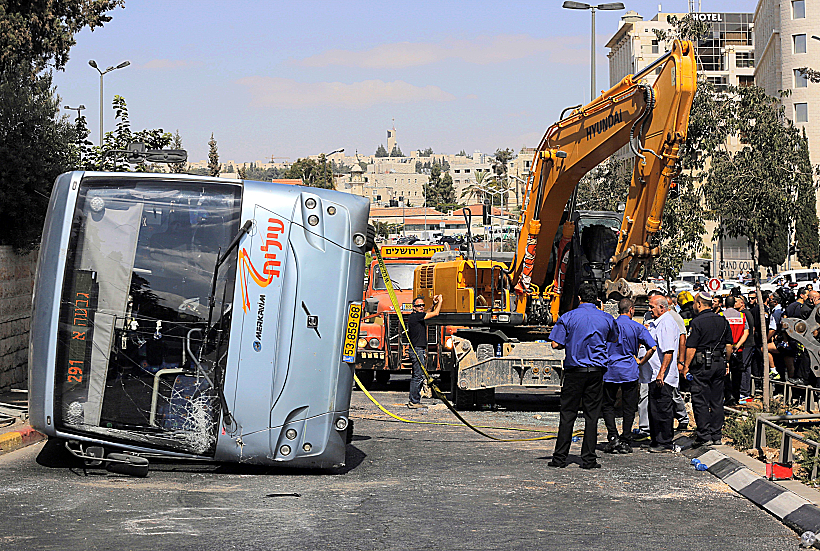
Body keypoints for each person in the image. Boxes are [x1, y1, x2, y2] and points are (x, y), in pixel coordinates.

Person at [549, 282, 619, 469]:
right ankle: (588, 459)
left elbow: (555, 344)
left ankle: (559, 458)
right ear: (596, 299)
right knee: (592, 416)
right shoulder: (606, 317)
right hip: (596, 372)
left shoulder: (568, 317)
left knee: (568, 414)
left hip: (574, 371)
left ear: (579, 298)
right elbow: (613, 338)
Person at [602, 298, 656, 454]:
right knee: (629, 406)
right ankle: (626, 438)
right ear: (631, 309)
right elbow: (652, 347)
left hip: (610, 370)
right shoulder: (637, 327)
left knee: (608, 405)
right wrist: (640, 361)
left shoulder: (609, 326)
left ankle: (613, 436)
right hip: (629, 371)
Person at [683, 291, 733, 447]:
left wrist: (685, 366)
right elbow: (729, 346)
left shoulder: (697, 322)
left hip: (701, 366)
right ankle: (717, 434)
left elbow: (691, 347)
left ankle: (704, 436)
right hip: (719, 364)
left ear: (699, 304)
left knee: (700, 400)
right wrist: (726, 362)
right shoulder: (723, 321)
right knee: (717, 401)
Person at [645, 294, 681, 452]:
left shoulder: (666, 323)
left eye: (652, 306)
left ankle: (664, 442)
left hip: (662, 377)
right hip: (655, 375)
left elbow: (668, 351)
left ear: (662, 307)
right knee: (655, 409)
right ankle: (656, 440)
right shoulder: (658, 323)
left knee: (662, 410)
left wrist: (661, 373)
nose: (649, 309)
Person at [406, 294, 442, 409]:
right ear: (414, 307)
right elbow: (435, 313)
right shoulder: (416, 317)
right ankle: (414, 401)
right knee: (418, 376)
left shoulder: (416, 316)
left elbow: (427, 312)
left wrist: (432, 304)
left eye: (423, 305)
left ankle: (414, 400)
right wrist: (440, 301)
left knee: (418, 375)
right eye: (419, 305)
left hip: (418, 349)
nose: (421, 307)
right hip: (417, 350)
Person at [723, 295, 751, 404]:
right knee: (737, 375)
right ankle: (736, 397)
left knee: (725, 374)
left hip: (725, 350)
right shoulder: (741, 316)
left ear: (725, 304)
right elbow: (746, 332)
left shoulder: (721, 315)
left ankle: (727, 397)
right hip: (738, 350)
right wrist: (738, 345)